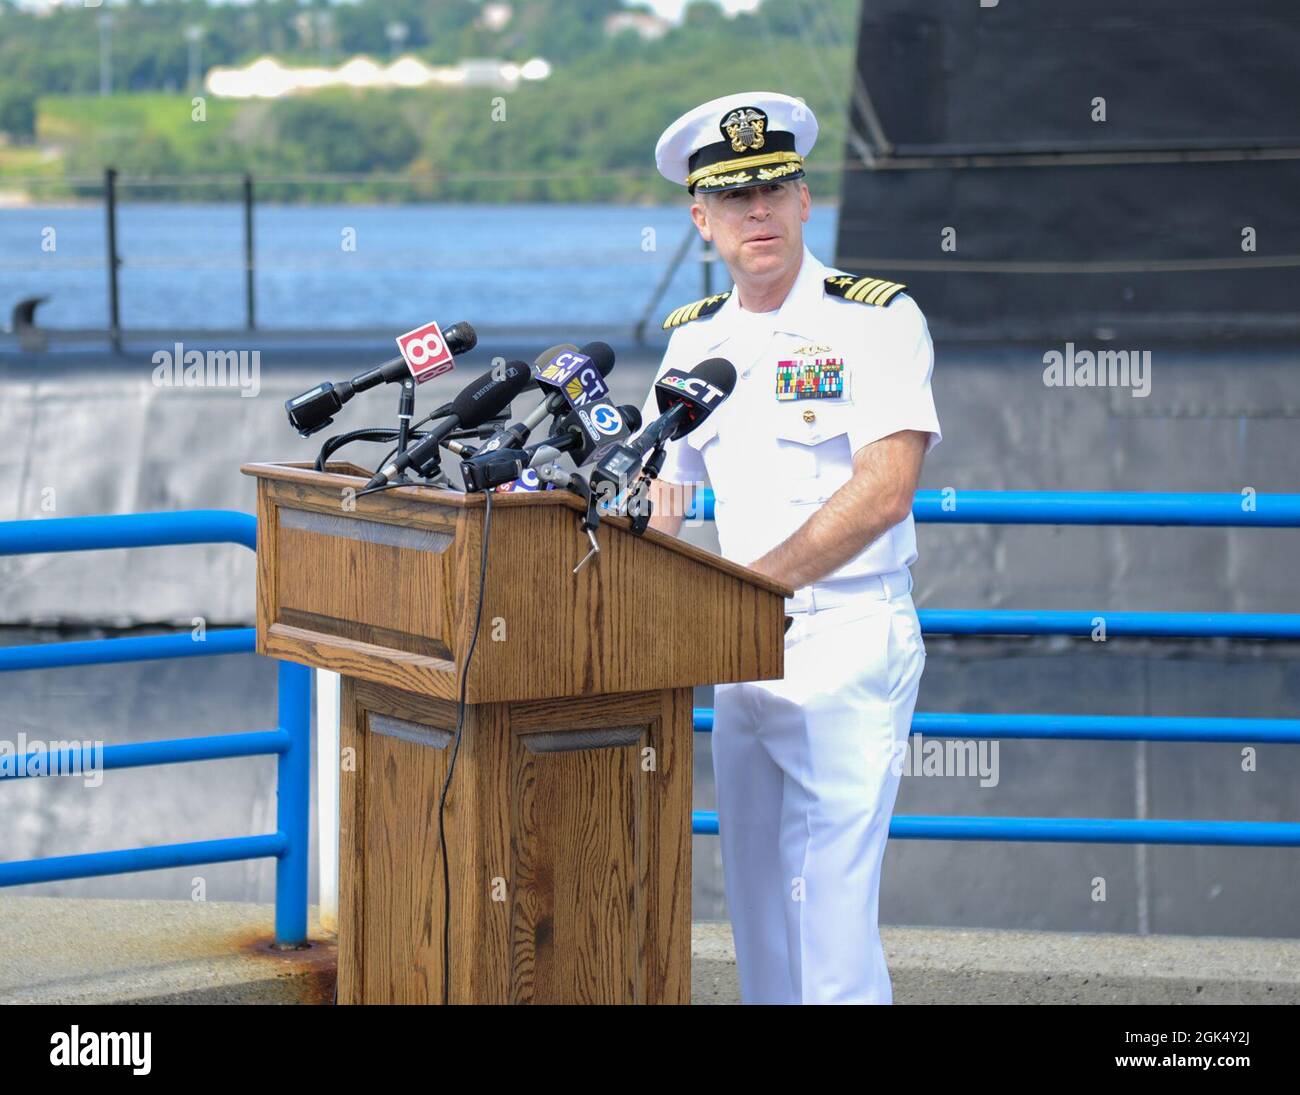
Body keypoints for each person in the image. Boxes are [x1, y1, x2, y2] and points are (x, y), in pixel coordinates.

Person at [639, 91, 942, 1004]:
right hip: (742, 653)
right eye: (734, 197)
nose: (757, 211)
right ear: (702, 219)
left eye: (774, 188)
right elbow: (666, 494)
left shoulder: (874, 319)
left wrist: (745, 588)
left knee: (834, 923)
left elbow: (886, 488)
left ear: (807, 200)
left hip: (846, 637)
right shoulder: (695, 342)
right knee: (762, 914)